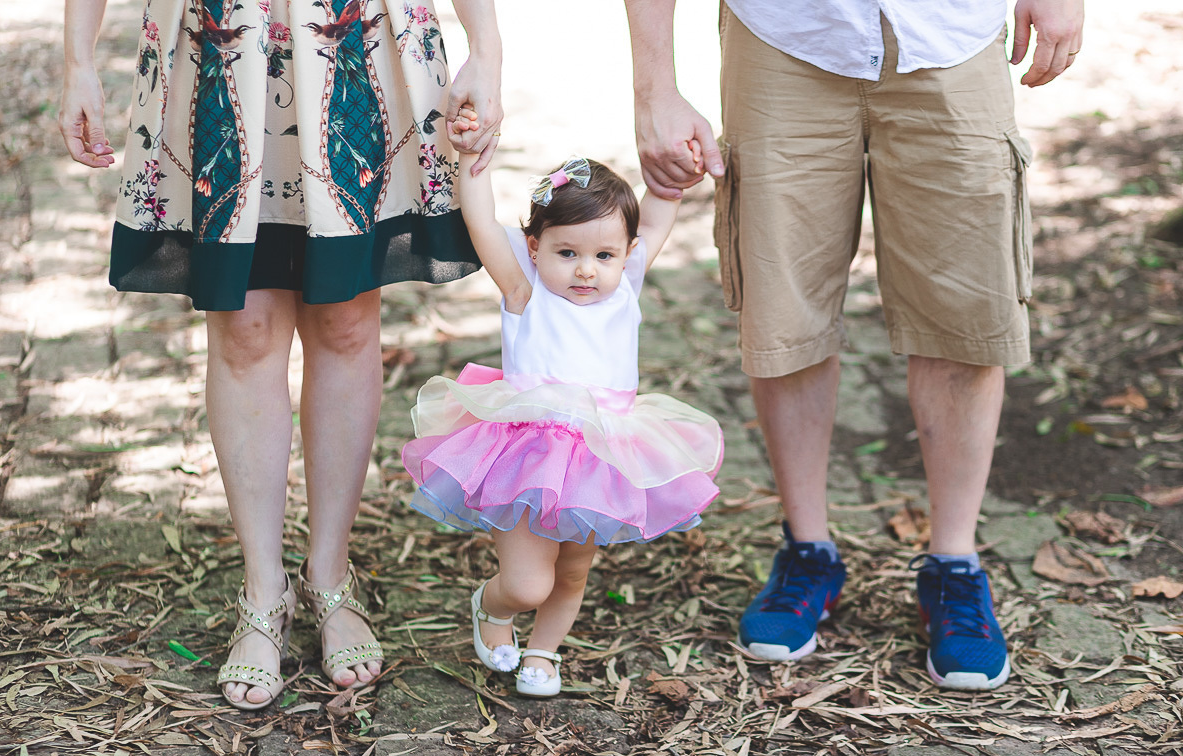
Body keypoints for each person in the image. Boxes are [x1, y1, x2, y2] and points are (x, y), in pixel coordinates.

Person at [624, 0, 1083, 690]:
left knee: (965, 311)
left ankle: (954, 567)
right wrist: (654, 85)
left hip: (953, 31)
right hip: (783, 33)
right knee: (784, 308)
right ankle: (807, 553)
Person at [61, 0, 503, 710]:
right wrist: (79, 62)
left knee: (349, 320)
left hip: (355, 36)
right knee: (245, 328)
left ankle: (330, 577)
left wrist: (487, 46)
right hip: (220, 42)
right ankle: (264, 591)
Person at [400, 131, 724, 697]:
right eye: (566, 253)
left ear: (624, 255)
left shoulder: (624, 287)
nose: (585, 271)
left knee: (573, 570)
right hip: (528, 454)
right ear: (533, 247)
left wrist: (671, 182)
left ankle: (545, 651)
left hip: (603, 453)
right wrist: (473, 162)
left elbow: (655, 218)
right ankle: (493, 606)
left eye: (603, 256)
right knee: (529, 583)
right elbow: (480, 223)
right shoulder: (525, 291)